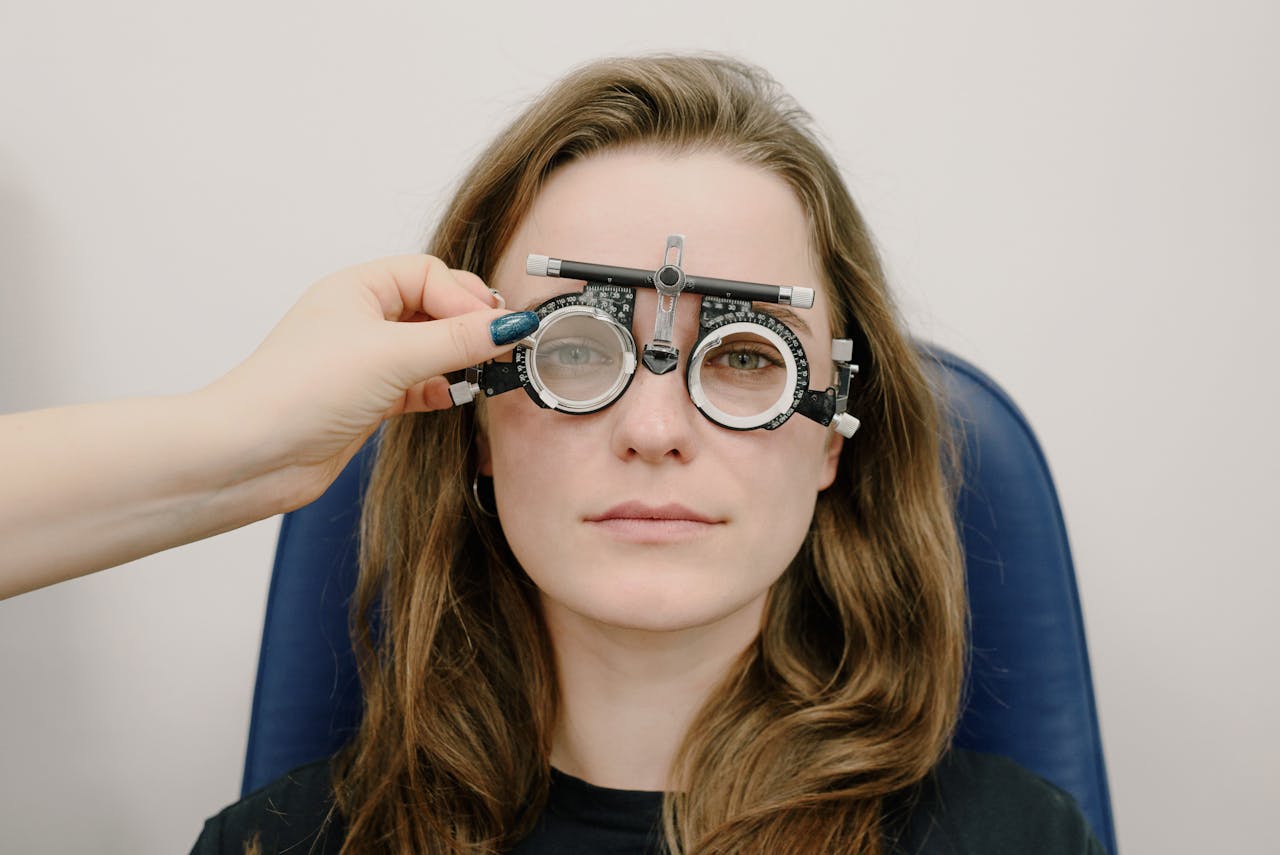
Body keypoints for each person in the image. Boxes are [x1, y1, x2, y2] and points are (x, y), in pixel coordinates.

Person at [2, 54, 1105, 854]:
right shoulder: (283, 845)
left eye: (740, 362)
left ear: (831, 437)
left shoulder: (1014, 841)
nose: (656, 430)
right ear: (468, 413)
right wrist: (239, 438)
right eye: (576, 351)